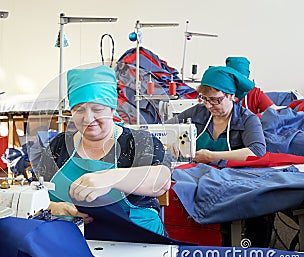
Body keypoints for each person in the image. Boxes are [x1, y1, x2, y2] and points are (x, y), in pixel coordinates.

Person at [34, 65, 172, 237]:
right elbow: (34, 194)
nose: (88, 119)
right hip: (76, 241)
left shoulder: (140, 142)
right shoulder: (59, 145)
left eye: (98, 109)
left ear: (112, 109)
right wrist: (54, 208)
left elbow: (161, 181)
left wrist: (110, 178)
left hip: (139, 241)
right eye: (79, 110)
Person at [167, 66, 266, 164]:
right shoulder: (197, 112)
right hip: (196, 171)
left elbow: (257, 151)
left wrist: (211, 157)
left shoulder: (247, 119)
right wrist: (171, 143)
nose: (208, 105)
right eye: (204, 99)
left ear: (231, 96)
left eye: (214, 100)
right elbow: (162, 129)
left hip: (231, 174)